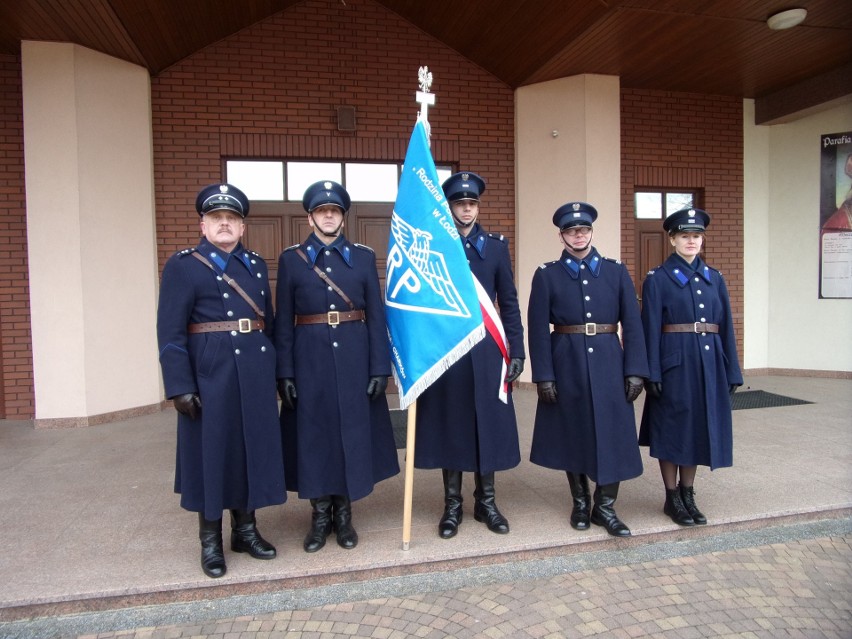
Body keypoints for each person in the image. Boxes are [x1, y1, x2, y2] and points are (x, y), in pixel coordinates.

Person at [157, 183, 285, 578]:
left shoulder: (256, 265)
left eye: (232, 219)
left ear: (243, 227)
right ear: (203, 224)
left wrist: (278, 373)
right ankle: (210, 541)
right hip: (210, 374)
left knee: (250, 450)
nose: (224, 224)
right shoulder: (184, 264)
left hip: (254, 372)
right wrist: (179, 385)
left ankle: (245, 530)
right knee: (211, 455)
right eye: (217, 218)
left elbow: (270, 322)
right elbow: (170, 331)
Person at [275, 180, 399, 553]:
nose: (328, 216)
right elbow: (283, 320)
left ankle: (344, 516)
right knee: (315, 438)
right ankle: (319, 516)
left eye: (335, 211)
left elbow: (377, 315)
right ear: (310, 217)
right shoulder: (291, 259)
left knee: (351, 436)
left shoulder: (362, 257)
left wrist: (380, 367)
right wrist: (285, 373)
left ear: (343, 217)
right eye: (321, 211)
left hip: (354, 357)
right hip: (308, 358)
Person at [414, 171, 525, 539]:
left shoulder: (495, 247)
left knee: (487, 426)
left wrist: (518, 351)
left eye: (472, 203)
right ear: (449, 206)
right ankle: (452, 505)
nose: (466, 209)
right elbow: (424, 303)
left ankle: (486, 502)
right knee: (452, 425)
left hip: (488, 352)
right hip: (449, 352)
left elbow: (508, 304)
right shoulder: (435, 244)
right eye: (460, 203)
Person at [527, 202, 648, 537]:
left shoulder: (615, 272)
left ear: (591, 232)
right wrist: (544, 376)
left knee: (613, 434)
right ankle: (580, 502)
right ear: (562, 235)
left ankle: (605, 507)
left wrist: (636, 369)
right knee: (574, 432)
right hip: (567, 362)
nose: (578, 235)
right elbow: (537, 329)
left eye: (583, 229)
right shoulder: (547, 274)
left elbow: (633, 325)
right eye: (571, 230)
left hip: (611, 361)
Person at [639, 208, 742, 526]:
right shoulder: (658, 279)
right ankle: (672, 497)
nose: (691, 241)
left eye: (696, 236)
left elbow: (725, 327)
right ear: (672, 239)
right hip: (675, 365)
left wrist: (732, 370)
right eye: (685, 236)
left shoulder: (715, 279)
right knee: (673, 429)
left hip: (708, 365)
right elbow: (650, 328)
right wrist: (652, 372)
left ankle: (688, 492)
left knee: (698, 427)